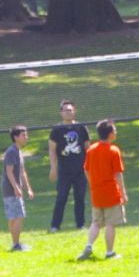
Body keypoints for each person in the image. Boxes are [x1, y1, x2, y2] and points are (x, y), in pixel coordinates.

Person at [75, 120, 126, 261]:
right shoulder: (113, 150)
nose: (116, 133)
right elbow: (118, 174)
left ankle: (89, 245)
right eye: (114, 131)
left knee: (96, 222)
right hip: (111, 192)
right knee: (110, 223)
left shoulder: (91, 149)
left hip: (96, 192)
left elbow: (86, 169)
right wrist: (123, 193)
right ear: (110, 135)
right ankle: (110, 252)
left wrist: (93, 184)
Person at [47, 100, 90, 233]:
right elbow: (52, 150)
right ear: (61, 113)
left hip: (80, 170)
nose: (68, 112)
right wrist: (53, 168)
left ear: (74, 111)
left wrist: (90, 167)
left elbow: (88, 148)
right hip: (64, 171)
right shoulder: (56, 130)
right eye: (66, 110)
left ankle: (80, 224)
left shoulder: (81, 128)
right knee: (61, 197)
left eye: (70, 110)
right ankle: (55, 225)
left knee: (80, 197)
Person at [0, 125, 35, 251]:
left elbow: (22, 172)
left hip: (14, 188)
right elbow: (9, 172)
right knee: (18, 216)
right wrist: (16, 188)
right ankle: (16, 245)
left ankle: (15, 244)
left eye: (26, 134)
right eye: (23, 135)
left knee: (14, 216)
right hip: (10, 189)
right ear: (15, 137)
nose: (26, 137)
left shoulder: (18, 151)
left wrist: (28, 188)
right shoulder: (11, 152)